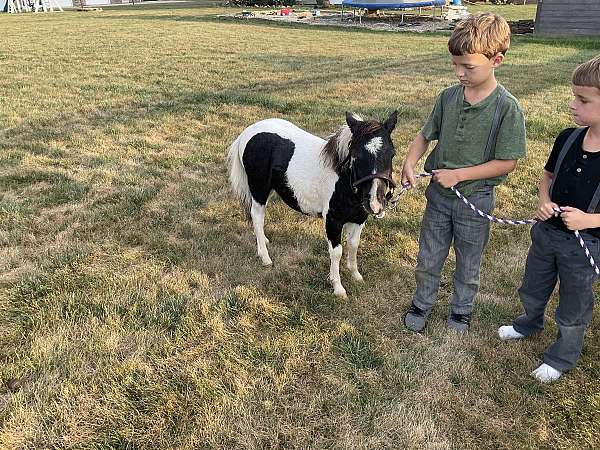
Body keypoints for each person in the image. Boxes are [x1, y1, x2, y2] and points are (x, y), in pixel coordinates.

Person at [401, 12, 527, 332]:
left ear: (496, 60)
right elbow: (424, 135)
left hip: (476, 200)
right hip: (438, 199)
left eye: (468, 66)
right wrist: (410, 162)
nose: (459, 73)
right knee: (429, 256)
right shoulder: (447, 98)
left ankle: (461, 309)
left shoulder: (507, 107)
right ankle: (423, 301)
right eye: (455, 64)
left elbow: (507, 162)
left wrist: (459, 175)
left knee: (468, 261)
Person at [498, 55, 600, 383]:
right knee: (532, 287)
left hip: (586, 246)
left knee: (574, 307)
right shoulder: (567, 137)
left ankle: (562, 356)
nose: (573, 105)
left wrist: (589, 221)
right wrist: (544, 202)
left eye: (582, 100)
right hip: (546, 235)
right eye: (574, 96)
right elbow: (547, 176)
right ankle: (528, 322)